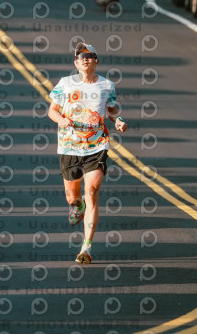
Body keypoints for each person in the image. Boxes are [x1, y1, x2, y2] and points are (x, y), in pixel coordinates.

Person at [48, 43, 128, 264]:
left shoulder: (107, 85)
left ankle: (86, 248)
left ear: (96, 61)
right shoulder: (65, 83)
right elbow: (52, 110)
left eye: (89, 55)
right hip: (69, 146)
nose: (85, 58)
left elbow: (112, 111)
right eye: (80, 56)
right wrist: (61, 119)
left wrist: (118, 120)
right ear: (76, 62)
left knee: (91, 191)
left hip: (97, 145)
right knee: (72, 197)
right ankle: (78, 205)